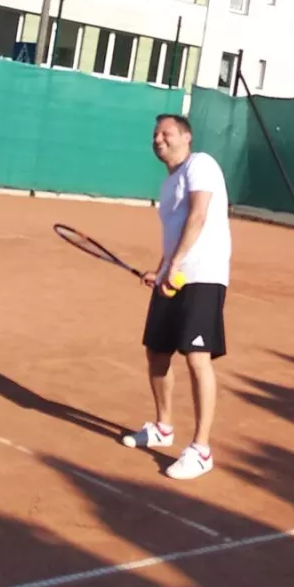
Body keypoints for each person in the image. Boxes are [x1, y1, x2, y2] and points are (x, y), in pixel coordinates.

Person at [122, 112, 230, 480]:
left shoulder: (201, 164)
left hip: (204, 276)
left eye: (166, 133)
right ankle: (163, 427)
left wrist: (175, 264)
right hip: (175, 274)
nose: (158, 140)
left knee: (197, 358)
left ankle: (201, 450)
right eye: (155, 135)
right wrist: (162, 267)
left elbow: (198, 216)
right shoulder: (168, 184)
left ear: (186, 137)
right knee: (157, 351)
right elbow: (174, 234)